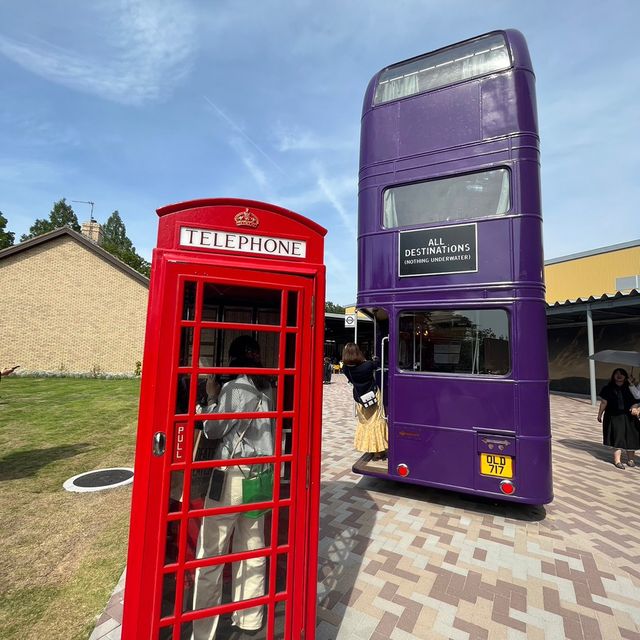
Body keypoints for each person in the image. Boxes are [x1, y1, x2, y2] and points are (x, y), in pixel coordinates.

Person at [192, 336, 274, 639]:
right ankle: (250, 618)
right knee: (252, 549)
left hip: (231, 478)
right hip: (261, 478)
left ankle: (203, 629)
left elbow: (213, 428)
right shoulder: (269, 388)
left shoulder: (233, 388)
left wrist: (210, 397)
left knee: (211, 554)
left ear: (234, 358)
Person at [341, 342, 388, 461]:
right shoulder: (367, 365)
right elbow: (376, 363)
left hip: (359, 399)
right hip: (373, 397)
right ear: (358, 352)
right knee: (377, 422)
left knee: (366, 423)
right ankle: (379, 452)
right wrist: (375, 358)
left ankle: (371, 448)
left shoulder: (346, 369)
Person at [597, 368, 640, 469]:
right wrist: (599, 414)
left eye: (622, 374)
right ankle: (617, 461)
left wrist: (635, 408)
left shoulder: (630, 388)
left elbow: (637, 400)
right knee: (617, 437)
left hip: (629, 416)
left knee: (631, 438)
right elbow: (604, 403)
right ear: (613, 376)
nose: (619, 376)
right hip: (614, 416)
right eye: (616, 374)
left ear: (625, 377)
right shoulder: (607, 388)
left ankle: (631, 460)